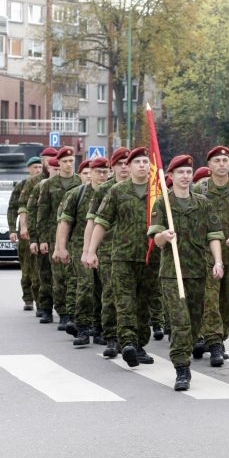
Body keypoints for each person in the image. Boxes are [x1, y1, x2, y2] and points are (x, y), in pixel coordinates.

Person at [148, 154, 225, 390]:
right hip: (173, 272)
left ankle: (186, 350)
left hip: (198, 271)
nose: (185, 176)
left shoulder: (202, 203)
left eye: (188, 172)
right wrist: (164, 236)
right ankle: (182, 369)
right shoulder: (163, 204)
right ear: (170, 176)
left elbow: (214, 235)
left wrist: (218, 261)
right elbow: (155, 239)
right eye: (180, 172)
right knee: (180, 321)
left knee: (194, 321)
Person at [89, 147, 159, 368]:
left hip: (150, 257)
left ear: (150, 166)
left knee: (143, 303)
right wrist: (91, 250)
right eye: (136, 162)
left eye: (145, 162)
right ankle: (128, 343)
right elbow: (102, 222)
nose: (141, 166)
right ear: (127, 167)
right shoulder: (118, 191)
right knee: (125, 301)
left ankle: (139, 344)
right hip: (122, 257)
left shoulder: (158, 192)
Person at [192, 146, 229, 367]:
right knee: (210, 298)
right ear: (209, 165)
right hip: (207, 253)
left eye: (225, 160)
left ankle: (217, 337)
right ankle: (214, 343)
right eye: (217, 160)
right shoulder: (200, 189)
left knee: (228, 299)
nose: (222, 164)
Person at [54, 157, 110, 346]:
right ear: (90, 173)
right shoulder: (77, 194)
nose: (102, 176)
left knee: (102, 289)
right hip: (80, 246)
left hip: (106, 247)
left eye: (105, 172)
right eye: (98, 172)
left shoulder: (112, 192)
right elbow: (64, 222)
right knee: (85, 286)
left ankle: (100, 327)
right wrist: (60, 248)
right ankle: (82, 327)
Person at [82, 147, 129, 358]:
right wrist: (88, 251)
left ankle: (131, 339)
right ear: (113, 167)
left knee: (134, 297)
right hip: (109, 251)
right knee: (110, 294)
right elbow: (92, 222)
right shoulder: (104, 190)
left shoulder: (146, 188)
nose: (125, 168)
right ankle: (111, 336)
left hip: (135, 250)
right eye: (121, 164)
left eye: (129, 163)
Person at [36, 147, 81, 330]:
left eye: (71, 161)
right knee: (59, 276)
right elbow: (43, 213)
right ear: (59, 163)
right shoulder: (49, 184)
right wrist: (43, 239)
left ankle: (74, 312)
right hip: (55, 235)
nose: (69, 165)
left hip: (77, 235)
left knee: (76, 276)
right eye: (65, 162)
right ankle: (62, 312)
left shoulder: (80, 182)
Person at [23, 152, 59, 322]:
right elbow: (32, 211)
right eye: (54, 167)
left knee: (63, 278)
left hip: (66, 238)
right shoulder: (39, 185)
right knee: (44, 274)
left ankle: (66, 312)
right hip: (45, 236)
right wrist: (34, 238)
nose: (58, 170)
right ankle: (44, 308)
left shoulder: (76, 183)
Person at [9, 156, 43, 311]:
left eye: (40, 167)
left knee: (39, 269)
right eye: (35, 167)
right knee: (27, 268)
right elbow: (12, 208)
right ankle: (28, 298)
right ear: (28, 169)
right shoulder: (22, 186)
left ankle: (41, 299)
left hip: (41, 231)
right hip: (26, 233)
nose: (37, 170)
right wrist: (12, 229)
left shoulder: (45, 184)